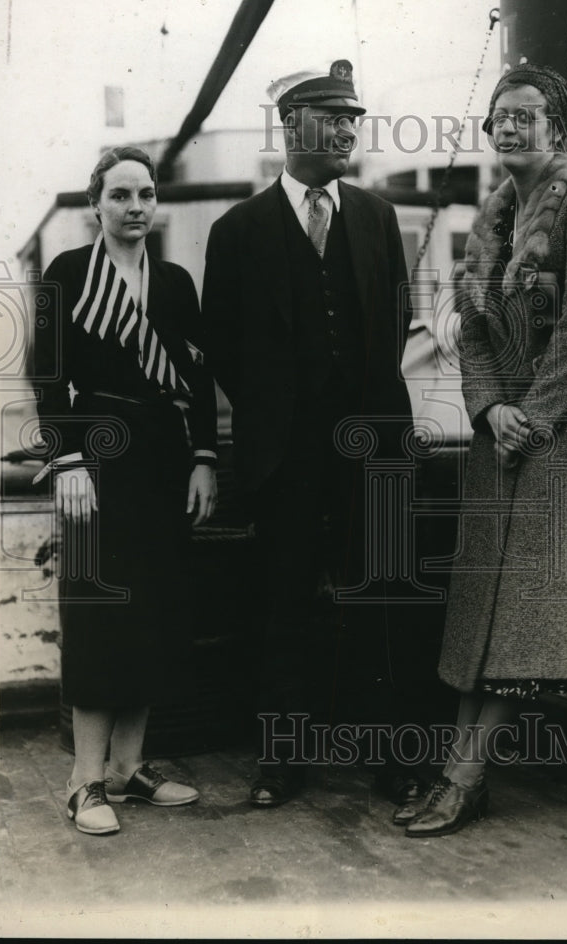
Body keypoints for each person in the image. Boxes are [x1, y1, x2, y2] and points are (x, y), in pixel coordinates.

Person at [396, 64, 567, 837]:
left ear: (559, 129)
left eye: (526, 116)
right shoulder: (491, 217)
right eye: (499, 118)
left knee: (517, 608)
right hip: (509, 420)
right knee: (485, 606)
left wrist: (531, 416)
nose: (508, 128)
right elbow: (472, 329)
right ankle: (459, 774)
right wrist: (491, 409)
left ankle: (463, 778)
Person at [201, 60, 421, 808]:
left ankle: (389, 755)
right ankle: (282, 760)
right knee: (283, 602)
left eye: (354, 121)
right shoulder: (238, 231)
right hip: (283, 454)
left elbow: (392, 323)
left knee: (381, 595)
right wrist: (277, 416)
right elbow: (221, 344)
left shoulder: (377, 216)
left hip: (371, 442)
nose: (348, 133)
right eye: (334, 121)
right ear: (292, 128)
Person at [32, 146, 218, 835]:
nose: (135, 206)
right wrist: (71, 459)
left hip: (162, 464)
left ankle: (127, 769)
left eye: (145, 194)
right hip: (96, 464)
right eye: (120, 195)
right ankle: (83, 782)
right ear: (96, 206)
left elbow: (195, 383)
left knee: (155, 611)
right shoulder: (69, 273)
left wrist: (204, 459)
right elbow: (46, 376)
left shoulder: (173, 284)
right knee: (99, 613)